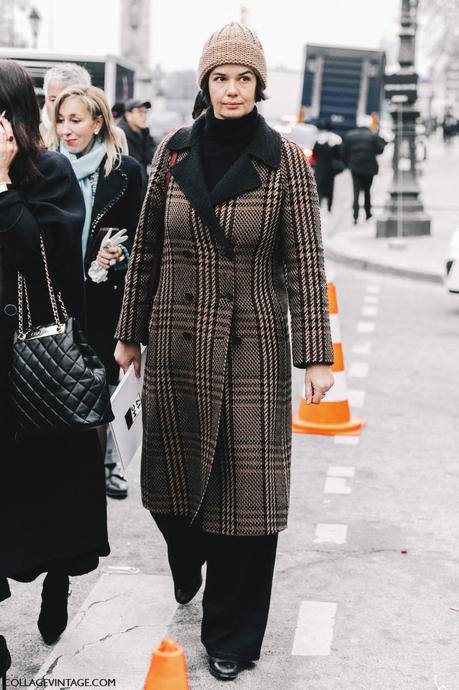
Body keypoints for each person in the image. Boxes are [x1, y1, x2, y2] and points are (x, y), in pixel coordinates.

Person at [114, 22, 334, 682]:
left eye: (242, 78)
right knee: (170, 492)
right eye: (220, 77)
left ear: (257, 85)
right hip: (178, 347)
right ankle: (187, 558)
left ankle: (233, 633)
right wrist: (128, 334)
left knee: (248, 501)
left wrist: (316, 355)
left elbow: (303, 262)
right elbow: (146, 248)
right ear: (205, 85)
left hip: (251, 348)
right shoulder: (173, 155)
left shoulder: (286, 162)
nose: (231, 89)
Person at [0, 60, 109, 647]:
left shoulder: (51, 175)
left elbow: (47, 272)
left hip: (36, 363)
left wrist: (2, 186)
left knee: (51, 492)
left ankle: (57, 583)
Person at [49, 84, 143, 499]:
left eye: (76, 120)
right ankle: (67, 466)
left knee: (103, 384)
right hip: (55, 296)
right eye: (61, 120)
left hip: (106, 299)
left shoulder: (125, 171)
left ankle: (109, 465)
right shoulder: (47, 168)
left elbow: (142, 240)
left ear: (97, 122)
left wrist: (116, 253)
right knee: (57, 383)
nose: (66, 129)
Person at [41, 63, 128, 154]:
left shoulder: (114, 136)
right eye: (53, 100)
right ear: (45, 97)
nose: (59, 107)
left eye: (68, 100)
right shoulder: (33, 136)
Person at [343, 116, 386, 224]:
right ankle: (368, 213)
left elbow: (344, 152)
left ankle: (355, 216)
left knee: (356, 191)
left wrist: (348, 164)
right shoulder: (373, 136)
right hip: (369, 167)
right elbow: (380, 150)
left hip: (355, 166)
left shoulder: (350, 135)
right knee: (367, 191)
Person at [119, 98, 156, 195]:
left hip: (142, 188)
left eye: (145, 112)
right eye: (140, 112)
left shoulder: (144, 133)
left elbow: (153, 157)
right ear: (128, 115)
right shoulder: (121, 135)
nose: (144, 116)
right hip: (129, 191)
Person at [312, 120, 344, 212]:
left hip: (320, 166)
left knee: (319, 186)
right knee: (330, 187)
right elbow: (339, 155)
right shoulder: (336, 139)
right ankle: (329, 206)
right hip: (331, 168)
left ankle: (319, 204)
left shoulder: (319, 139)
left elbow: (314, 153)